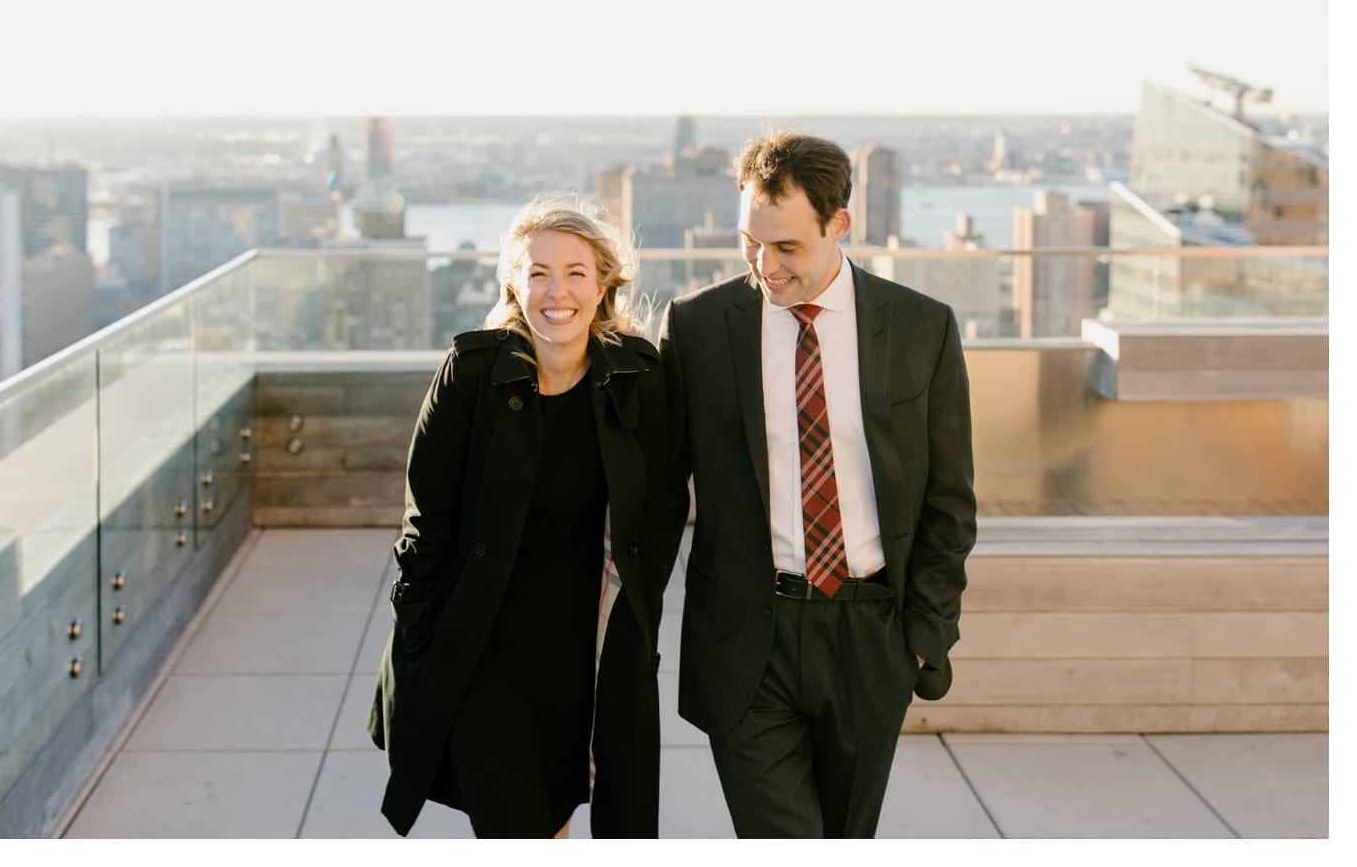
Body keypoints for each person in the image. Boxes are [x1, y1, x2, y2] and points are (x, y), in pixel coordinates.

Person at [657, 129, 977, 838]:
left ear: (840, 226)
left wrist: (923, 634)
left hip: (871, 637)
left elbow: (949, 502)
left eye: (787, 247)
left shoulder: (923, 329)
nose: (764, 266)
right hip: (746, 639)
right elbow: (655, 493)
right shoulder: (699, 328)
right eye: (750, 243)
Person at [367, 195, 671, 838]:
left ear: (604, 284)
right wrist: (419, 634)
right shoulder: (472, 373)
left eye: (575, 273)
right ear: (513, 282)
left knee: (556, 818)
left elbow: (662, 514)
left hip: (581, 655)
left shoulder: (638, 380)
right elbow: (427, 521)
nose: (555, 291)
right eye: (538, 273)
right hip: (484, 654)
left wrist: (641, 614)